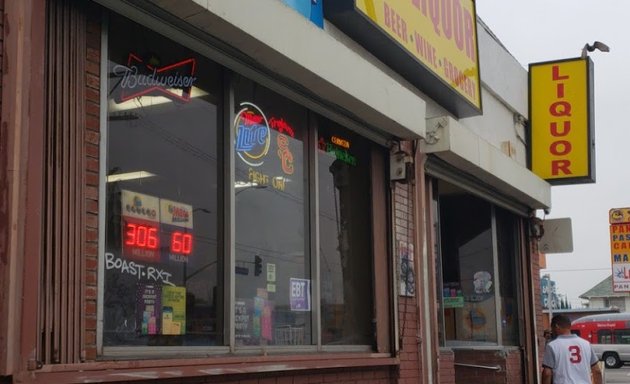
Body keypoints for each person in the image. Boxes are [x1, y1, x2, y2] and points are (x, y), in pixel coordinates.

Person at [542, 314, 602, 384]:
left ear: (556, 326)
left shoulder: (552, 346)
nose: (552, 331)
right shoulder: (586, 344)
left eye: (552, 328)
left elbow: (547, 373)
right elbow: (597, 371)